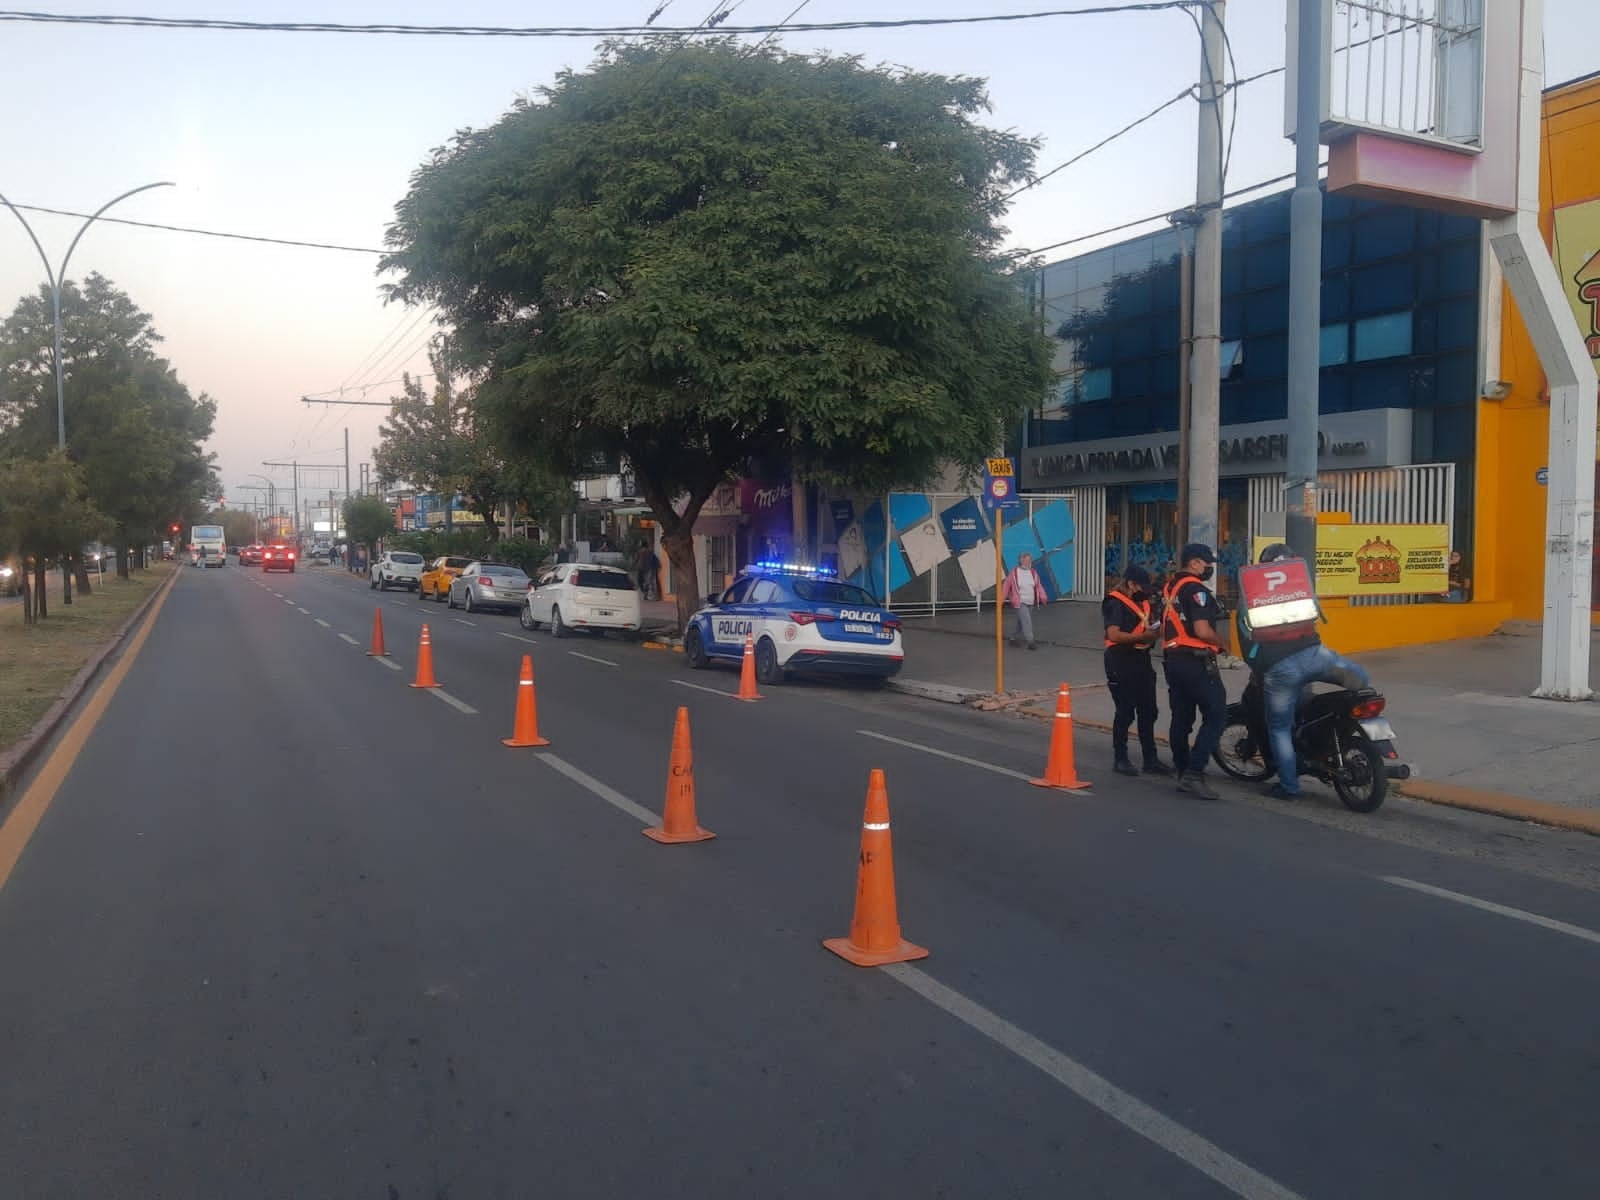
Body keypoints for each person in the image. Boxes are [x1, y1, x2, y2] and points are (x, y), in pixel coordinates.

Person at [1238, 544, 1371, 801]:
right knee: (1361, 682)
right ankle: (1358, 709)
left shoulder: (1251, 597)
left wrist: (1259, 670)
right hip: (1315, 655)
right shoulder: (1301, 588)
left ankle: (1289, 787)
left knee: (1279, 729)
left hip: (1281, 670)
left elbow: (1248, 645)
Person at [1161, 542, 1229, 800]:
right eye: (1207, 562)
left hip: (1173, 661)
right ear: (1194, 563)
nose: (1210, 566)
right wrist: (1223, 644)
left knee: (1182, 719)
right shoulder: (1196, 590)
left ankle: (1182, 770)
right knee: (1217, 715)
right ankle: (1194, 773)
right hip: (1195, 661)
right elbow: (1201, 630)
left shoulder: (1170, 588)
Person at [1102, 565, 1170, 776]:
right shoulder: (1114, 603)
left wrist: (1156, 631)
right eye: (1142, 586)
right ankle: (1120, 758)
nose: (1146, 591)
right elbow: (1113, 634)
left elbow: (1145, 626)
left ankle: (1150, 760)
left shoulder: (1142, 602)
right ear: (1131, 584)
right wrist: (1143, 637)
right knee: (1125, 712)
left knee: (1149, 711)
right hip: (1120, 661)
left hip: (1142, 660)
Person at [1002, 551, 1048, 650]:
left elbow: (1038, 585)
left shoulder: (1033, 572)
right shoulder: (1014, 573)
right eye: (1025, 560)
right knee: (1027, 621)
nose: (1028, 562)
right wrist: (1001, 599)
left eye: (1029, 560)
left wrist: (1043, 597)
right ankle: (1031, 642)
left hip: (1030, 602)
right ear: (1020, 561)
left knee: (1021, 623)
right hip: (1020, 602)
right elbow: (1006, 586)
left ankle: (1012, 638)